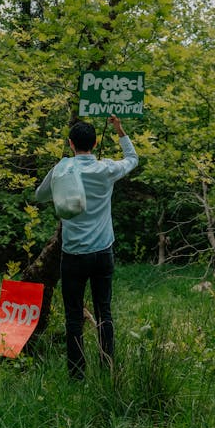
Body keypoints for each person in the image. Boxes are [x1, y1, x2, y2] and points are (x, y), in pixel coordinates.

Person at [35, 116, 138, 379]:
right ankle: (107, 368)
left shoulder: (62, 169)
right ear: (95, 143)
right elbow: (133, 159)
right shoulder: (105, 170)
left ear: (71, 144)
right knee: (104, 310)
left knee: (73, 315)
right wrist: (119, 130)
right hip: (103, 252)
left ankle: (77, 374)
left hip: (73, 254)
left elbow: (40, 196)